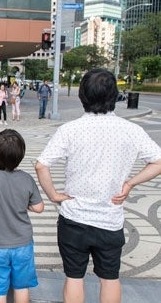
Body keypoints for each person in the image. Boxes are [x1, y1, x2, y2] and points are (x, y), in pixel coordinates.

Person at [35, 68, 161, 303]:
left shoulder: (70, 130)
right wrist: (130, 183)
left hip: (74, 218)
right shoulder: (131, 130)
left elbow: (42, 165)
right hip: (110, 220)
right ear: (114, 96)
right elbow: (158, 161)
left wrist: (53, 195)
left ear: (83, 95)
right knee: (110, 278)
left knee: (74, 277)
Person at [0, 129, 44, 303]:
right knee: (21, 286)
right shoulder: (26, 179)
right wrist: (25, 203)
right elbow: (39, 207)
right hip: (22, 245)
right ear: (20, 156)